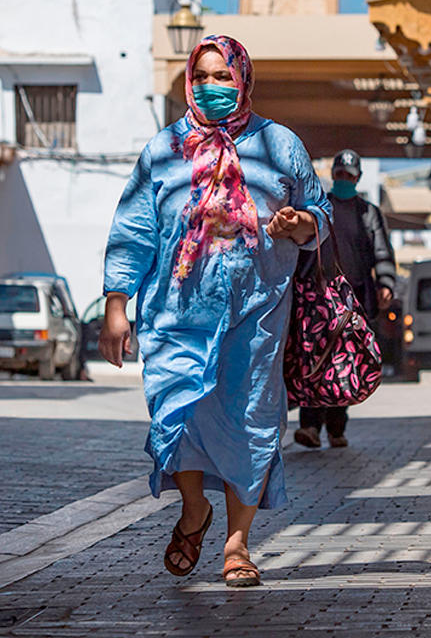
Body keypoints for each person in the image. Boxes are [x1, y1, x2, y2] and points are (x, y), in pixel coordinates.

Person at [100, 35, 330, 589]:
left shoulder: (279, 145)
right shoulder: (163, 150)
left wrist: (299, 224)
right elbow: (134, 229)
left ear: (243, 80)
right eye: (201, 76)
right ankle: (193, 508)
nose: (211, 86)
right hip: (174, 313)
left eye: (223, 76)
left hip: (256, 314)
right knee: (174, 414)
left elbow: (318, 213)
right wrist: (115, 303)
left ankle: (237, 544)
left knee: (248, 420)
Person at [293, 149, 395, 450]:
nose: (344, 179)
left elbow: (382, 252)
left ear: (358, 178)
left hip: (354, 302)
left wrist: (386, 283)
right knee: (314, 360)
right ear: (333, 174)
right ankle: (310, 426)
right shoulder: (319, 209)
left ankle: (337, 428)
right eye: (339, 174)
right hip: (318, 299)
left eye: (349, 176)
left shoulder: (369, 213)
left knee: (346, 362)